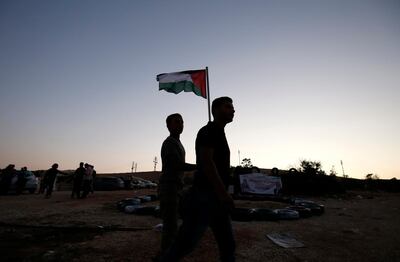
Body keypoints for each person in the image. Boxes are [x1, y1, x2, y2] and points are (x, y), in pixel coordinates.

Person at [162, 97, 236, 262]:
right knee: (183, 243)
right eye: (228, 106)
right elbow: (207, 163)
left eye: (232, 107)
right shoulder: (208, 131)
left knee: (228, 245)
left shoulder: (219, 133)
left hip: (215, 198)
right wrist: (224, 194)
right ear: (215, 110)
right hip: (205, 196)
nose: (233, 110)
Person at [158, 113, 196, 259]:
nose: (180, 124)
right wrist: (198, 166)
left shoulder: (178, 143)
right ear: (168, 126)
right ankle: (165, 256)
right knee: (170, 226)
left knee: (174, 224)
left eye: (181, 122)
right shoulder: (169, 143)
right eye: (176, 122)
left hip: (176, 187)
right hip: (169, 188)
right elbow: (176, 165)